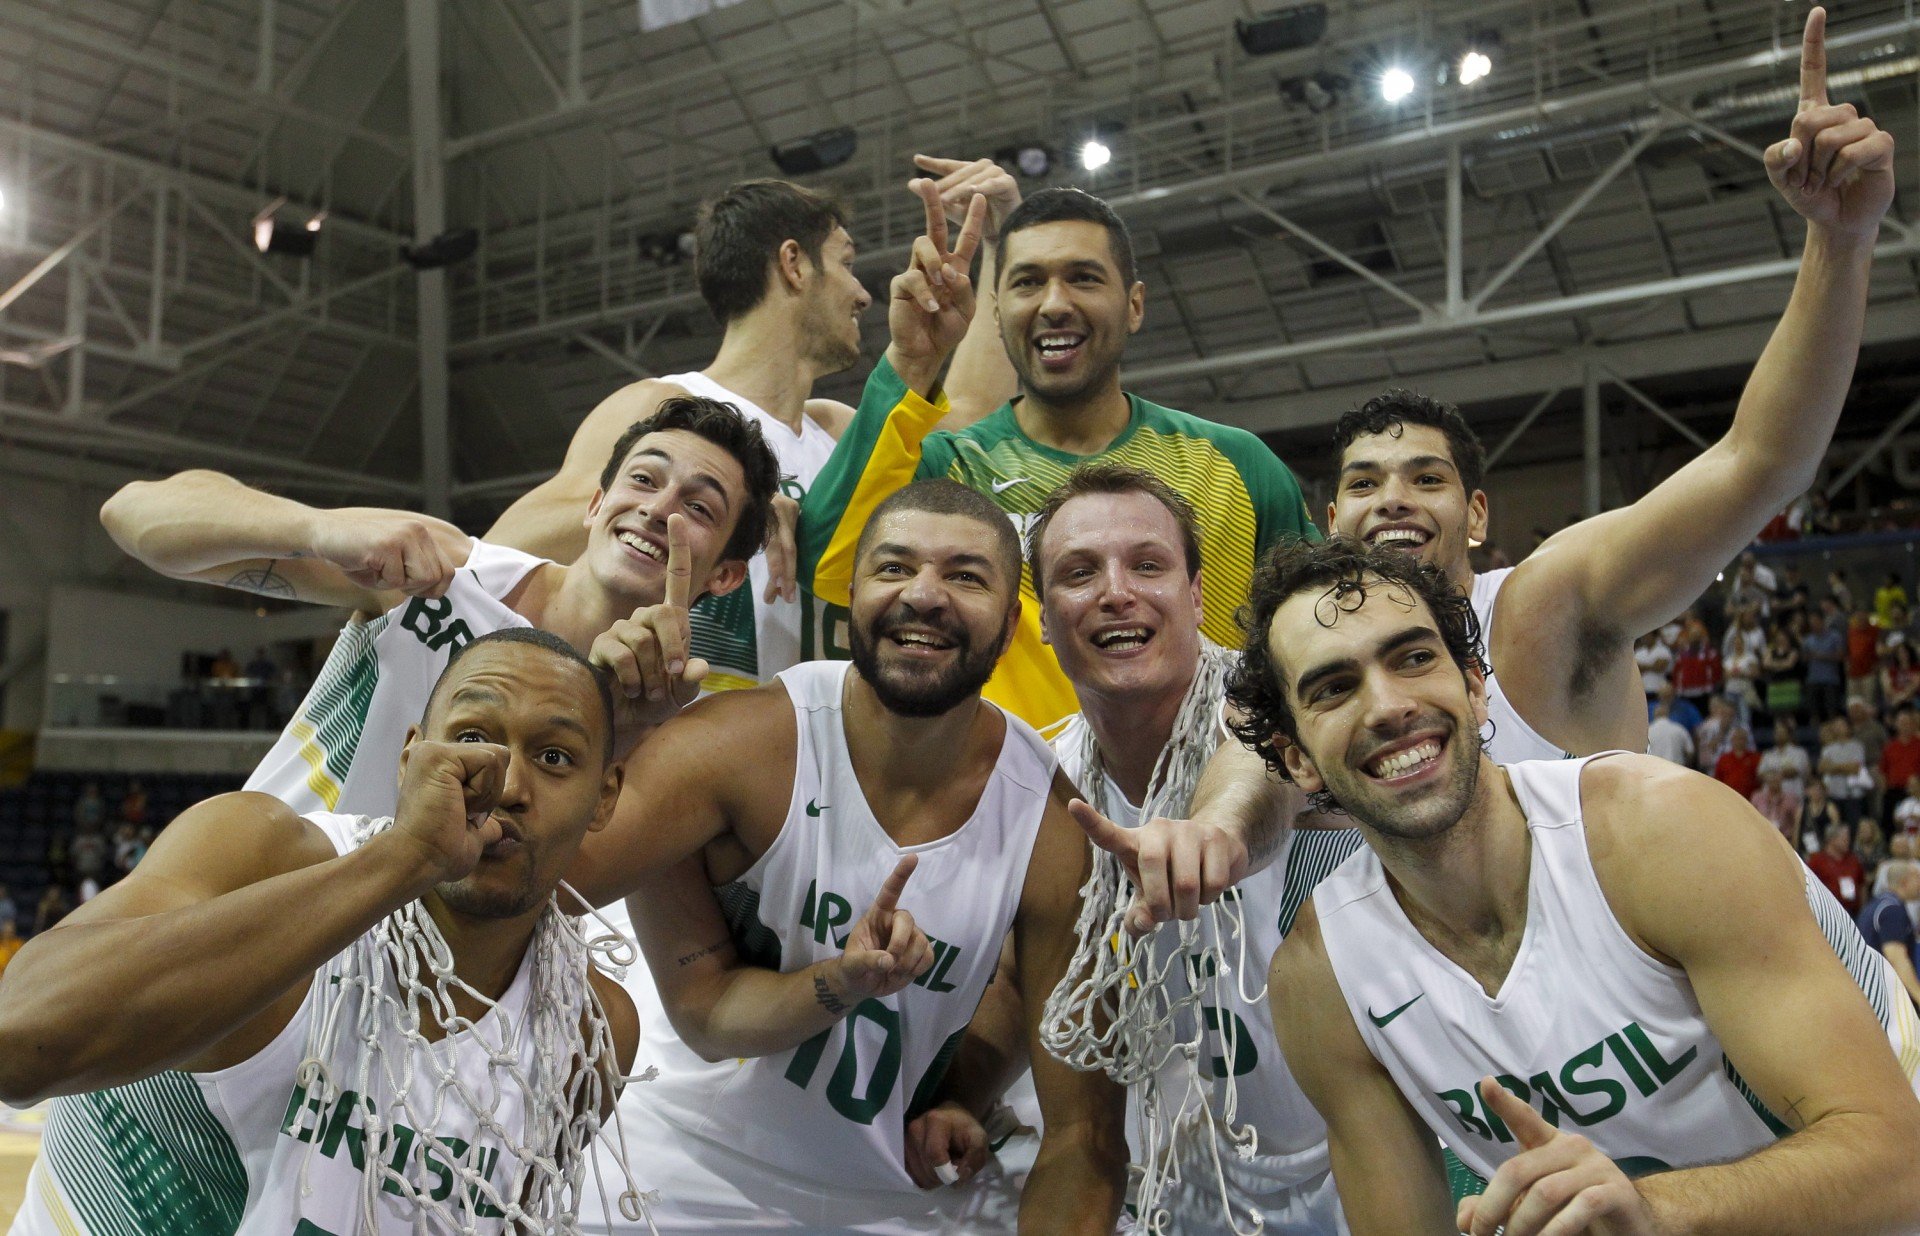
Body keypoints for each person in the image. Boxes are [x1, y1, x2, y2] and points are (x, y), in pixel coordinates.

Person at [1234, 537, 1920, 1235]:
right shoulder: (1322, 979)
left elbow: (1898, 1169)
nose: (1386, 705)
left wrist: (1652, 1212)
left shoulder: (1661, 832)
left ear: (1475, 686)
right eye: (1334, 688)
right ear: (1297, 759)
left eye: (1413, 658)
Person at [566, 479, 1127, 1234]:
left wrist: (962, 1091)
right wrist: (600, 729)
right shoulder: (739, 745)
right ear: (850, 601)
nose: (924, 595)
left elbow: (1082, 1135)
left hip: (897, 1196)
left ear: (1011, 625)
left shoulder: (1053, 825)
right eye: (895, 568)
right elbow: (531, 882)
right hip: (677, 1168)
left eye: (965, 575)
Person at [0, 630, 643, 1234]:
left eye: (555, 757)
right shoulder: (262, 851)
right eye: (472, 738)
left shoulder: (587, 1031)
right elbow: (17, 1040)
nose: (507, 785)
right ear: (411, 756)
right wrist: (406, 858)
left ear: (606, 796)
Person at [920, 465, 1351, 1233]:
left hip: (1353, 1169)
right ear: (1044, 619)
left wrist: (1214, 831)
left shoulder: (1293, 715)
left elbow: (1261, 765)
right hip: (1178, 1187)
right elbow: (1034, 986)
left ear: (1194, 595)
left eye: (1147, 565)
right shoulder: (1044, 787)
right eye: (1079, 574)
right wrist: (962, 1094)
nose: (1116, 592)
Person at [101, 395, 781, 819]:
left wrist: (625, 735)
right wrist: (316, 528)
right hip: (253, 924)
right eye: (643, 478)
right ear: (597, 506)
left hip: (414, 1016)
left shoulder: (669, 718)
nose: (658, 510)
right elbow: (135, 516)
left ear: (724, 575)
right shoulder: (445, 570)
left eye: (698, 506)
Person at [800, 184, 1319, 730]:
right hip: (1015, 799)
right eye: (1028, 283)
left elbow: (1317, 628)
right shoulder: (949, 469)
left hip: (1209, 799)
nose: (1053, 304)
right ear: (997, 313)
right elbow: (828, 567)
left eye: (1083, 278)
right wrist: (911, 359)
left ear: (1134, 305)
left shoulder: (1236, 464)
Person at [484, 164, 1018, 691]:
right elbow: (500, 554)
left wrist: (999, 243)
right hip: (693, 740)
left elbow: (969, 415)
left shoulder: (836, 427)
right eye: (846, 262)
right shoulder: (664, 408)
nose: (863, 294)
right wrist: (741, 518)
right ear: (794, 264)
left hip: (824, 752)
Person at [1858, 859, 1920, 1008]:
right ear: (1904, 882)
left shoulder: (1878, 904)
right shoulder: (1892, 910)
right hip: (1880, 996)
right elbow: (1896, 957)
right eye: (1917, 878)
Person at [1807, 822, 1868, 915]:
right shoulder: (1817, 861)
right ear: (1832, 839)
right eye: (1844, 839)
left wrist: (1863, 910)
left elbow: (1862, 884)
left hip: (1852, 912)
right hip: (1828, 912)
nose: (1848, 842)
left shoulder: (1853, 860)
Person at [1759, 718, 1811, 799]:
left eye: (1782, 733)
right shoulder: (1768, 754)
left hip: (1793, 794)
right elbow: (1761, 774)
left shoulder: (1799, 752)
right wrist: (1781, 773)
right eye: (1777, 733)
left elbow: (1794, 772)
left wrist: (1772, 774)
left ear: (1789, 735)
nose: (1779, 735)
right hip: (1770, 799)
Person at [1750, 766, 1801, 843]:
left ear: (1781, 780)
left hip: (1784, 840)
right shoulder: (1757, 797)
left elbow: (1797, 821)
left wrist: (1794, 840)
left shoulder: (1790, 799)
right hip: (1762, 838)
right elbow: (1751, 818)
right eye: (1771, 780)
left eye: (1776, 779)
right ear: (1766, 782)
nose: (1773, 782)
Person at [1713, 725, 1761, 798]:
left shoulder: (1755, 758)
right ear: (1732, 740)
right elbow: (1717, 780)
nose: (1739, 741)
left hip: (1749, 799)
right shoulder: (1724, 759)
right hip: (1728, 798)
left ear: (1747, 740)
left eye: (1742, 738)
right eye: (1737, 738)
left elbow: (1759, 779)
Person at [1647, 699, 1694, 767]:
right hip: (1676, 770)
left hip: (1655, 770)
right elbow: (1690, 752)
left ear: (1654, 714)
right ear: (1668, 714)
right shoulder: (1679, 729)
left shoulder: (1648, 731)